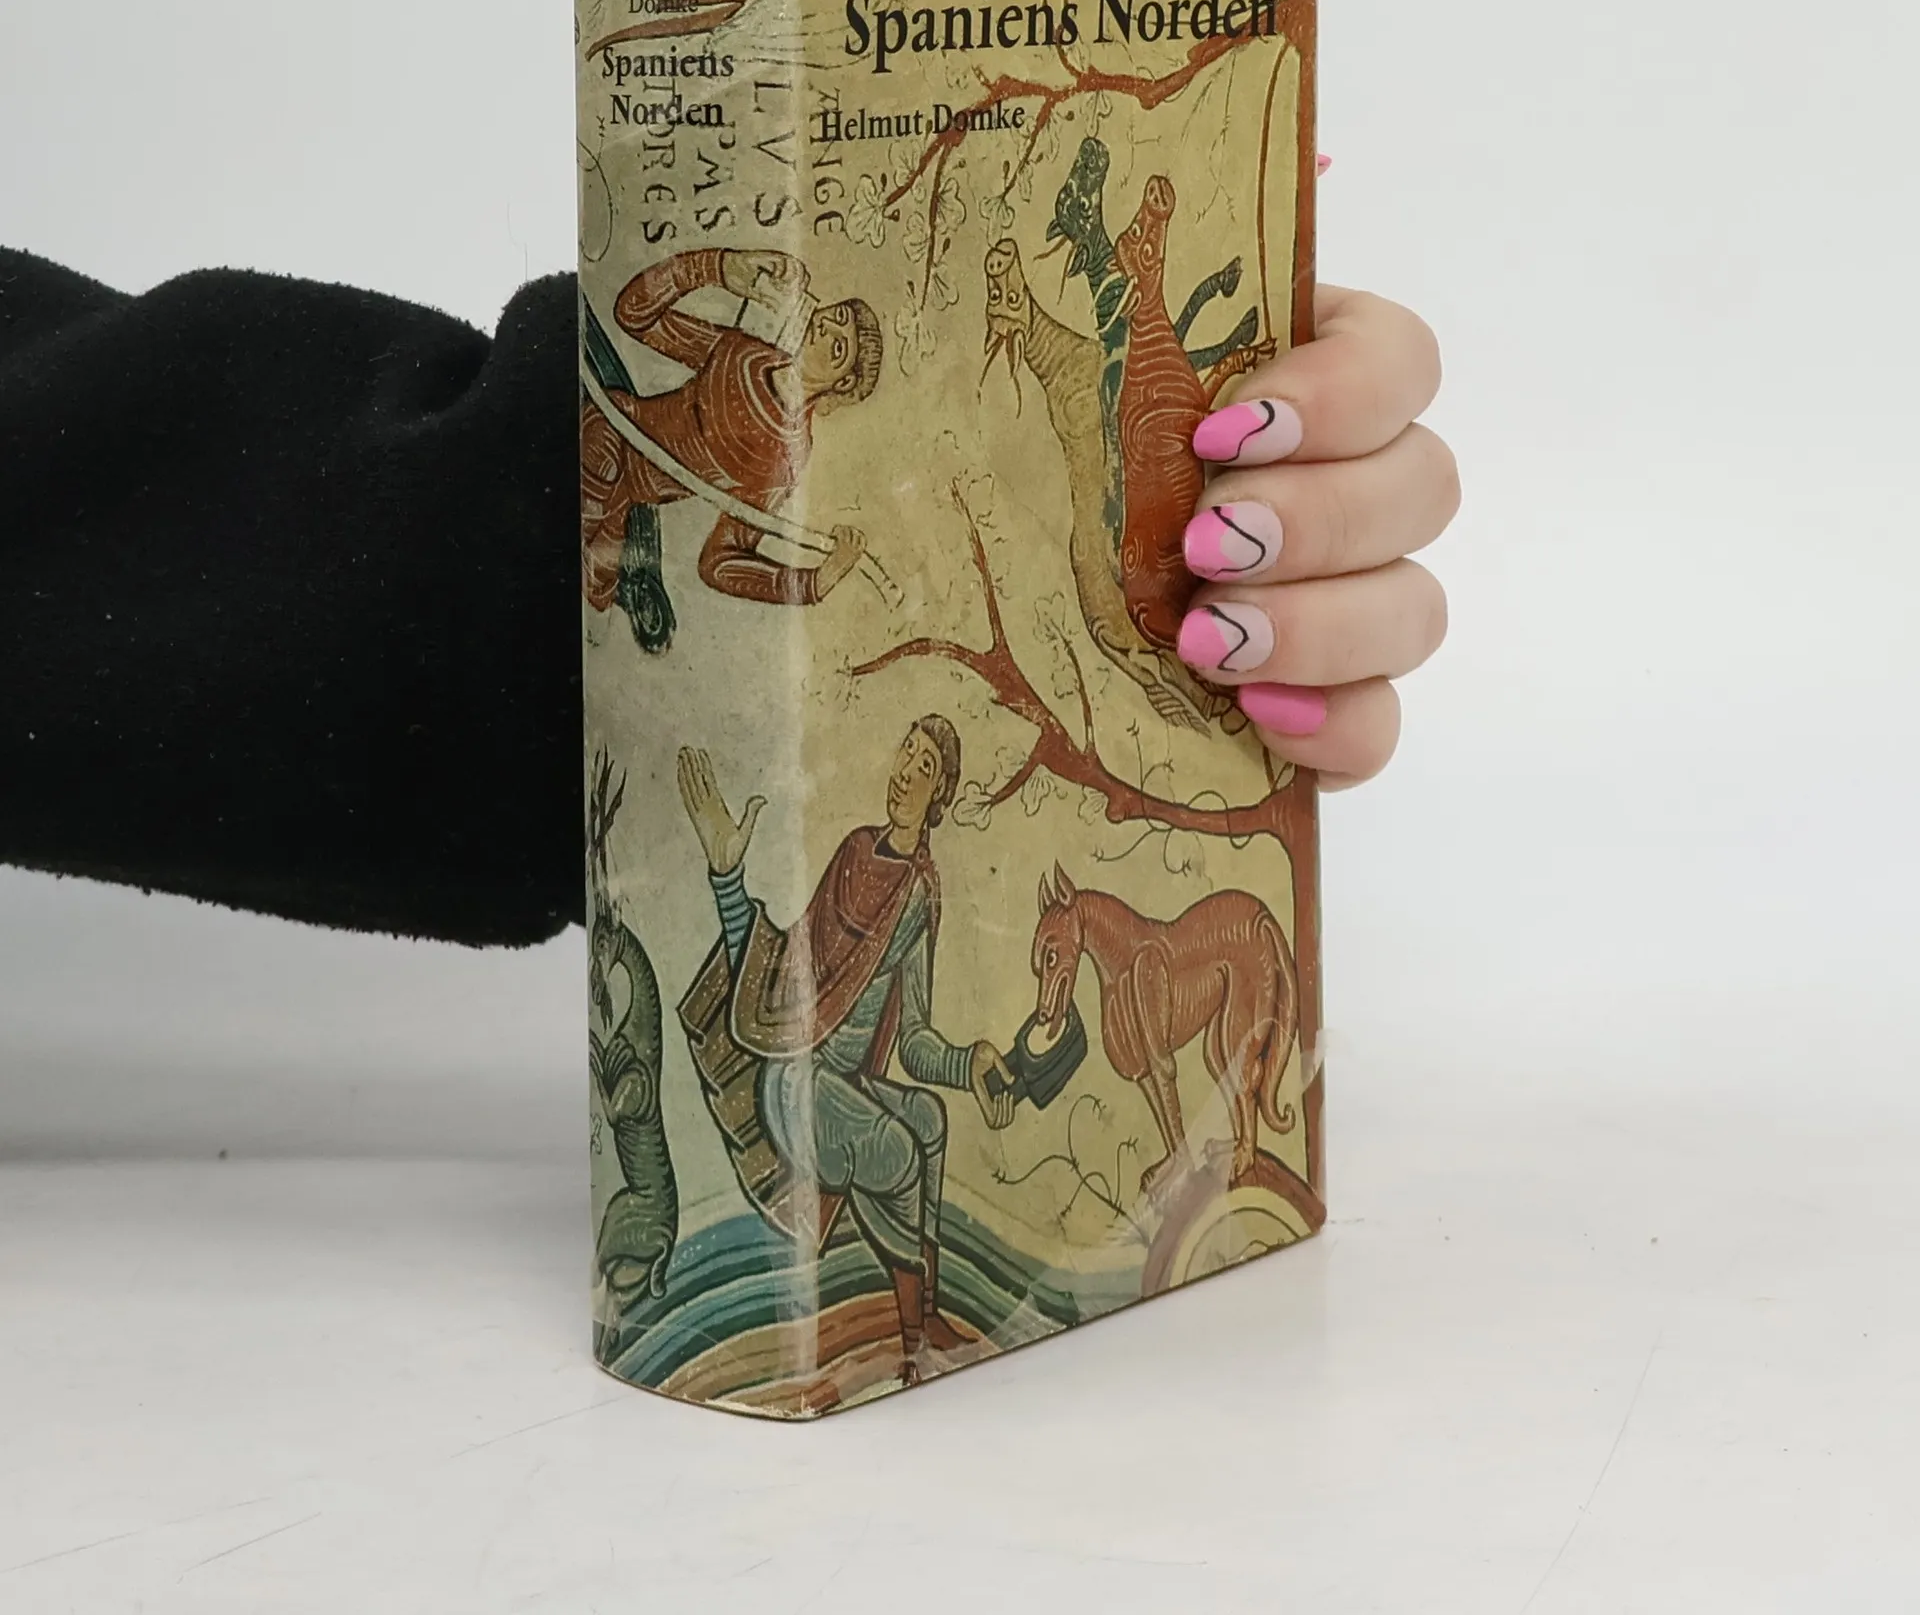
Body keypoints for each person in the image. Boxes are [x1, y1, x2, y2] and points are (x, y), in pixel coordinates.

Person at [0, 249, 1457, 943]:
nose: (836, 365)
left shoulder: (794, 430)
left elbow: (726, 561)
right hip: (613, 514)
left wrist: (804, 588)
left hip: (621, 561)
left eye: (851, 360)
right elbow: (658, 330)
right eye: (844, 348)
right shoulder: (747, 363)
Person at [676, 723, 1016, 1386]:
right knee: (896, 1150)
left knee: (928, 1121)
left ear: (940, 793)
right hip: (795, 1080)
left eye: (925, 766)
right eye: (905, 751)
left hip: (846, 1082)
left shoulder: (920, 892)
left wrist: (969, 1063)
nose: (905, 772)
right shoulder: (855, 853)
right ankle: (914, 1347)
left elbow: (913, 1041)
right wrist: (726, 876)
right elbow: (782, 972)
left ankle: (927, 1317)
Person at [581, 246, 882, 648]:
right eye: (836, 315)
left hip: (626, 494)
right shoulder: (743, 355)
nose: (825, 327)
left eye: (838, 347)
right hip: (611, 425)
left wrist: (815, 582)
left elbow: (719, 561)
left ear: (841, 383)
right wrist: (720, 268)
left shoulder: (782, 455)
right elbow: (633, 315)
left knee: (591, 572)